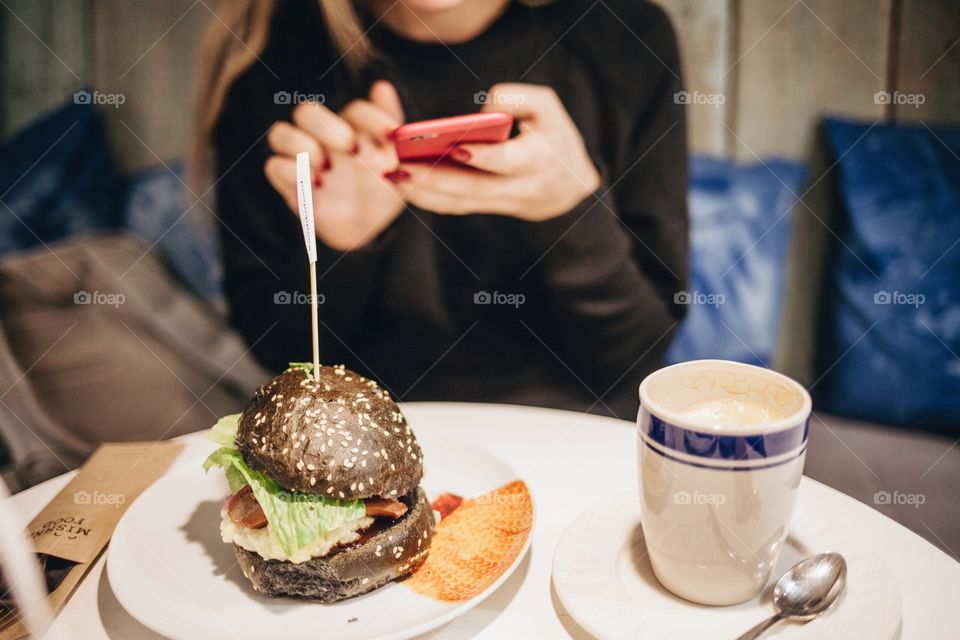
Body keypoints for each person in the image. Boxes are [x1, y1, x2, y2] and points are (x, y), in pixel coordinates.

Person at [194, 0, 688, 420]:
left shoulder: (623, 37)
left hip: (578, 435)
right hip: (369, 445)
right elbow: (280, 353)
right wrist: (344, 249)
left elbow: (638, 357)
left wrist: (572, 214)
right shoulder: (270, 58)